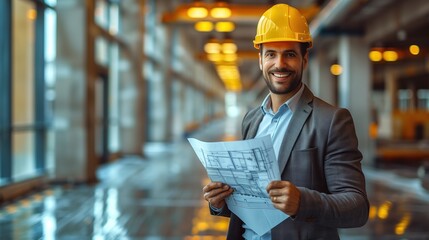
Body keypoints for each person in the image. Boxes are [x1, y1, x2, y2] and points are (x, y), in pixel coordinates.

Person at [202, 3, 369, 240]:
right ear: (260, 60)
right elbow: (253, 206)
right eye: (271, 53)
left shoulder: (332, 121)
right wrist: (221, 202)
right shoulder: (252, 119)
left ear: (304, 59)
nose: (279, 64)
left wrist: (302, 202)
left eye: (290, 54)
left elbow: (357, 208)